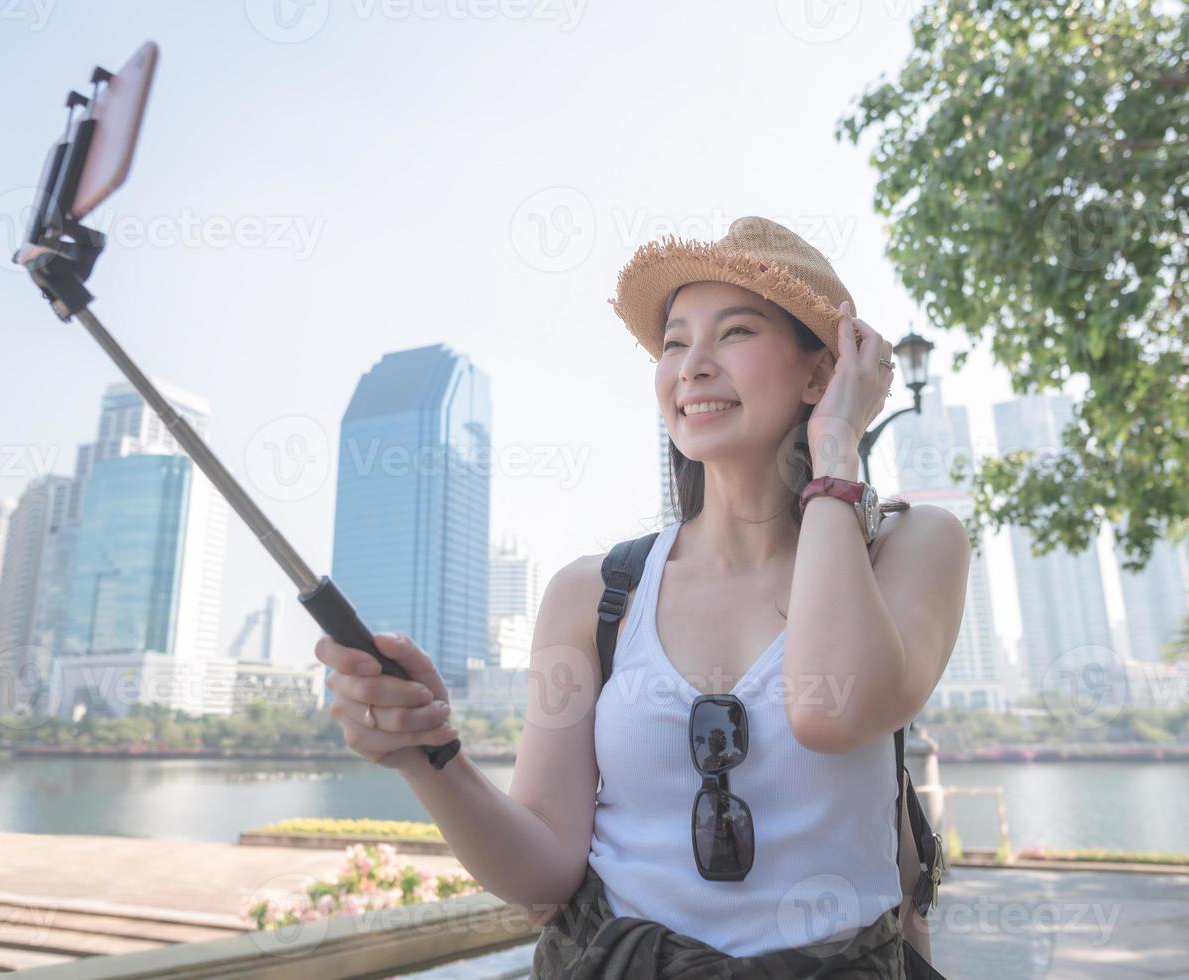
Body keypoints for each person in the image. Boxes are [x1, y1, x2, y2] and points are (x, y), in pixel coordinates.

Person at [316, 216, 971, 978]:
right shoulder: (592, 594)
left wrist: (837, 448)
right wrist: (425, 753)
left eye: (734, 333)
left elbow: (832, 712)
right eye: (673, 343)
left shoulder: (909, 547)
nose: (690, 366)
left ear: (820, 375)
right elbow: (544, 873)